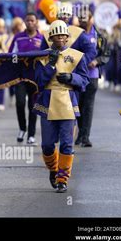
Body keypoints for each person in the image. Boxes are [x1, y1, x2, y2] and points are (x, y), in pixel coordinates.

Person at [33, 20, 89, 193]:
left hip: (68, 103)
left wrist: (72, 79)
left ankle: (63, 179)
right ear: (51, 38)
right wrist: (50, 65)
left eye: (63, 35)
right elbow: (39, 82)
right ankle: (53, 168)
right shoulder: (42, 57)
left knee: (67, 143)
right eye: (56, 35)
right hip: (47, 103)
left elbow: (85, 81)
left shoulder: (77, 56)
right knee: (48, 145)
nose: (59, 38)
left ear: (67, 37)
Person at [8, 12, 43, 144]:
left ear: (36, 22)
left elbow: (45, 57)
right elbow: (11, 55)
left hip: (35, 78)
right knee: (20, 103)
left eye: (32, 20)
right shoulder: (18, 38)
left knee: (33, 106)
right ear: (24, 22)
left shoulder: (42, 38)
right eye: (27, 20)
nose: (30, 23)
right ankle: (22, 128)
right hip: (21, 77)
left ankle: (31, 135)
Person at [75, 8, 99, 147]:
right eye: (81, 18)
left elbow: (105, 53)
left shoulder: (98, 35)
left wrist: (97, 61)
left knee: (88, 107)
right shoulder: (74, 34)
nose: (83, 20)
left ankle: (85, 136)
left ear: (91, 19)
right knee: (79, 105)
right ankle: (80, 134)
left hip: (92, 75)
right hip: (77, 75)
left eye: (86, 18)